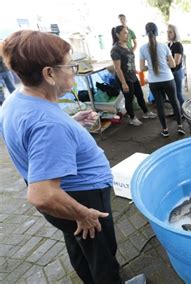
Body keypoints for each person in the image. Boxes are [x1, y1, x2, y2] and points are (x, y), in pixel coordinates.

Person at [0, 30, 146, 284]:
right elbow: (41, 195)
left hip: (65, 199)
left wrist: (70, 123)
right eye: (70, 66)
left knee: (79, 245)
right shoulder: (48, 124)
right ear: (49, 73)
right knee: (101, 255)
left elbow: (33, 134)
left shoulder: (15, 101)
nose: (74, 71)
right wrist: (82, 214)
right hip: (79, 197)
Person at [139, 22, 186, 137]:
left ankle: (165, 130)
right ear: (157, 32)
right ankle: (180, 127)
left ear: (146, 33)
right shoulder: (164, 46)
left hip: (154, 82)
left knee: (160, 106)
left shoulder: (142, 49)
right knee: (174, 102)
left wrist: (150, 66)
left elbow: (141, 68)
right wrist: (163, 64)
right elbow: (173, 64)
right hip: (168, 79)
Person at [111, 25, 157, 126]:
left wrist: (134, 70)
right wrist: (123, 83)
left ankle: (146, 113)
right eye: (125, 33)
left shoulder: (127, 45)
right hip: (124, 78)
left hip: (132, 75)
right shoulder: (115, 49)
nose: (128, 35)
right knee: (129, 98)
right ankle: (132, 118)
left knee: (140, 95)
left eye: (127, 33)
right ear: (118, 35)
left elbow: (129, 61)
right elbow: (117, 68)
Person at [167, 24, 186, 107]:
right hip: (171, 72)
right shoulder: (169, 45)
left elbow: (176, 62)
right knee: (173, 94)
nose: (168, 34)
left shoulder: (178, 45)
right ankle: (176, 111)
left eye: (170, 32)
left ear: (175, 33)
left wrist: (164, 63)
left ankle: (183, 112)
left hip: (177, 72)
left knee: (178, 94)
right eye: (167, 32)